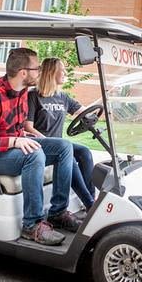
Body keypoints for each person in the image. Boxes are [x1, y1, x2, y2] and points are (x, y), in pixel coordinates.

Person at [0, 48, 81, 246]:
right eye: (36, 68)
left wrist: (22, 137)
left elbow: (17, 129)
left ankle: (57, 212)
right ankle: (32, 224)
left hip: (9, 149)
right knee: (34, 155)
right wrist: (14, 141)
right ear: (23, 72)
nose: (40, 71)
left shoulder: (22, 93)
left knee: (64, 146)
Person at [25, 58, 96, 211]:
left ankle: (92, 198)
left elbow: (84, 111)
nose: (65, 72)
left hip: (61, 145)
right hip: (40, 146)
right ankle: (91, 204)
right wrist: (48, 141)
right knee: (68, 154)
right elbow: (28, 127)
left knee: (84, 152)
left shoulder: (63, 96)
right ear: (51, 72)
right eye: (62, 69)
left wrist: (99, 106)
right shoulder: (33, 96)